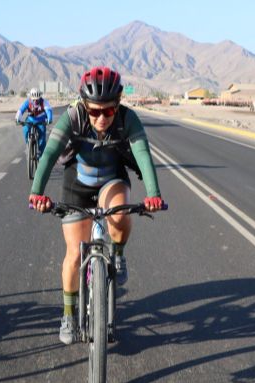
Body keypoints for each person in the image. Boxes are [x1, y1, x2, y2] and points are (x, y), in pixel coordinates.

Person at [28, 66, 164, 344]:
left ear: (117, 105)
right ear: (84, 106)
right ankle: (68, 314)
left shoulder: (129, 119)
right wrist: (36, 193)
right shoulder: (73, 117)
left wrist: (153, 194)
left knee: (122, 210)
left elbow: (143, 155)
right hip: (77, 183)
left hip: (112, 180)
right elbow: (50, 154)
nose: (101, 118)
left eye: (108, 111)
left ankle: (118, 253)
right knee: (74, 255)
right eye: (94, 111)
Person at [15, 88, 53, 158]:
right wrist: (17, 118)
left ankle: (40, 154)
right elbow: (21, 110)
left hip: (41, 121)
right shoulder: (27, 102)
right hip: (30, 120)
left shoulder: (44, 102)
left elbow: (49, 110)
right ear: (31, 98)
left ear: (40, 97)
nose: (35, 101)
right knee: (25, 129)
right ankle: (28, 144)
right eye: (34, 99)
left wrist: (49, 119)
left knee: (42, 135)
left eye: (37, 99)